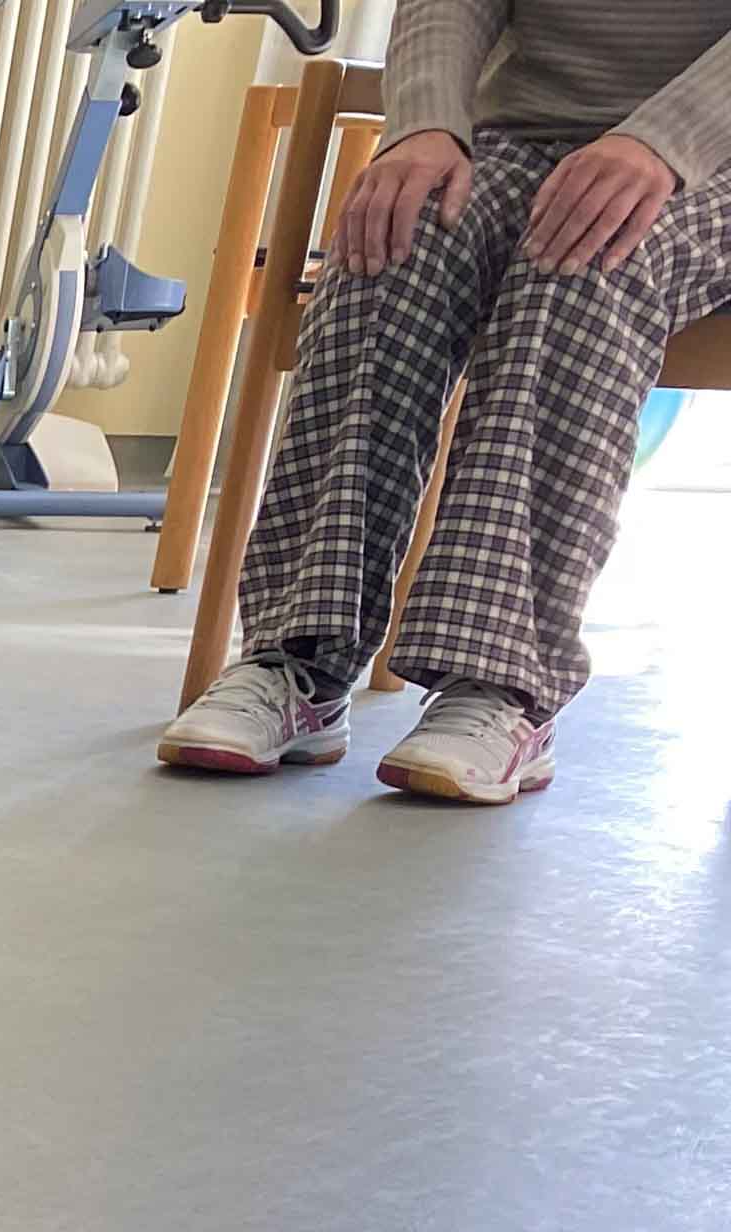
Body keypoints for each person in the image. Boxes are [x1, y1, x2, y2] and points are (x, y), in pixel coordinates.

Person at [159, 0, 731, 805]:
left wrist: (666, 140)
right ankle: (301, 658)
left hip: (712, 156)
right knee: (387, 252)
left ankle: (503, 687)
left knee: (583, 265)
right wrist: (425, 123)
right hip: (523, 135)